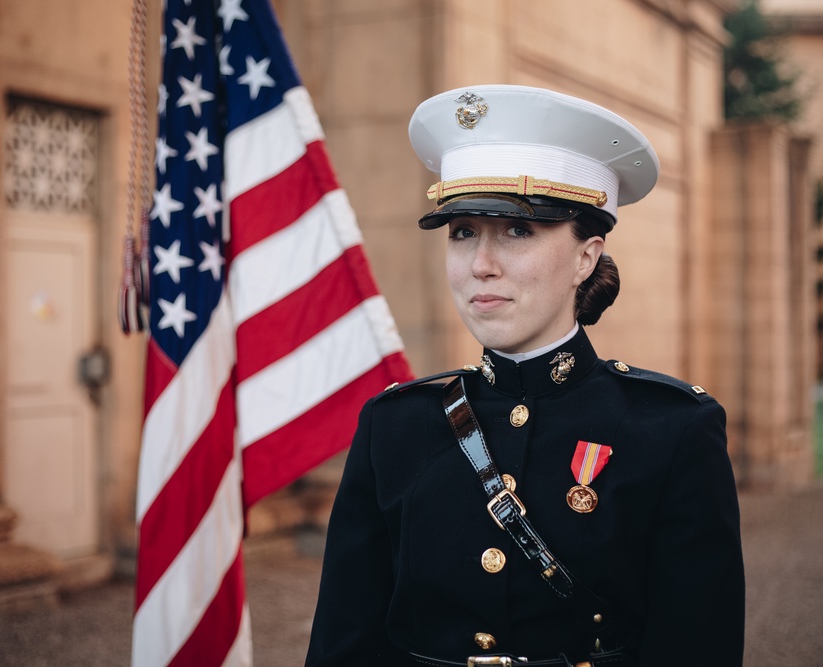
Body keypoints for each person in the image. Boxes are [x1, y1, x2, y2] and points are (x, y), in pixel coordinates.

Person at [305, 85, 745, 667]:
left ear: (586, 257)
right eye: (462, 232)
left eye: (518, 231)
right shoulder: (395, 427)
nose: (481, 265)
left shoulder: (670, 431)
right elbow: (345, 643)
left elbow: (695, 648)